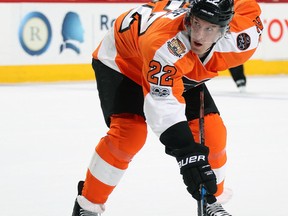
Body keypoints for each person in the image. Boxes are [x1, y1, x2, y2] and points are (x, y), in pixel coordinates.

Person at [72, 0, 263, 215]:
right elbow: (163, 109)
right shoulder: (165, 44)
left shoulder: (242, 38)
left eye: (209, 28)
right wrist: (188, 155)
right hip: (124, 61)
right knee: (129, 135)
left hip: (179, 68)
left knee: (213, 133)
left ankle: (212, 203)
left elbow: (245, 5)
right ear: (189, 17)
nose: (199, 36)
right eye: (196, 24)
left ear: (225, 30)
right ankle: (87, 205)